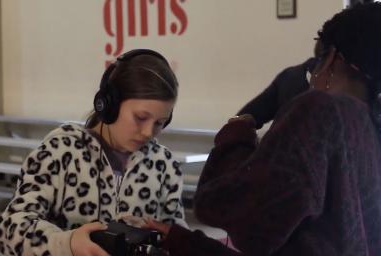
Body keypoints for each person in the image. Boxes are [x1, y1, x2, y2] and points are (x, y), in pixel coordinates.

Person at [145, 3, 381, 255]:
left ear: (332, 57)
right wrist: (182, 241)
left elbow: (238, 215)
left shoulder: (320, 112)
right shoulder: (369, 131)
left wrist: (235, 138)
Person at [0, 49, 187, 256]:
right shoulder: (61, 149)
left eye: (160, 123)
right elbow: (10, 229)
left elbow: (178, 238)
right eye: (140, 117)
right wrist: (67, 244)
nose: (148, 132)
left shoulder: (164, 164)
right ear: (109, 105)